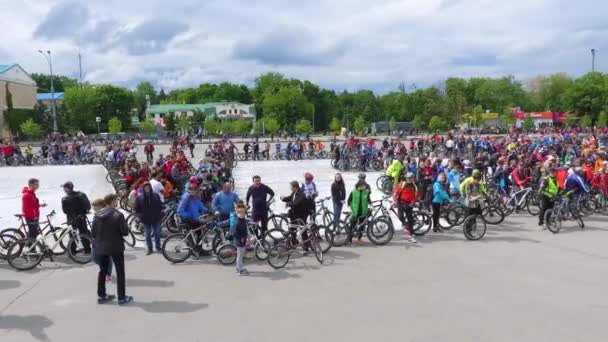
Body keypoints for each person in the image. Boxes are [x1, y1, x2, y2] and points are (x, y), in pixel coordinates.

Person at [91, 194, 133, 305]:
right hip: (116, 247)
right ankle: (122, 298)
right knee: (120, 272)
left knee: (103, 271)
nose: (117, 202)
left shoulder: (97, 214)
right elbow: (125, 232)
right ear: (113, 201)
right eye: (116, 200)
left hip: (101, 247)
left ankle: (102, 295)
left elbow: (93, 233)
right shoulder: (118, 215)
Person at [61, 181, 92, 254]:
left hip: (71, 219)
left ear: (68, 188)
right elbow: (88, 206)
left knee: (72, 235)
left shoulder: (65, 198)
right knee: (84, 233)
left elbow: (65, 211)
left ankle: (73, 251)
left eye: (64, 188)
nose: (64, 189)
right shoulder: (81, 194)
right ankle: (87, 250)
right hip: (81, 217)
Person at [135, 182, 164, 255]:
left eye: (148, 187)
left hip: (155, 218)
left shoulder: (155, 195)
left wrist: (160, 214)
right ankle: (150, 248)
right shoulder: (139, 197)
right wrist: (139, 217)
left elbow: (160, 206)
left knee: (157, 233)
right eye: (145, 187)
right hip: (146, 219)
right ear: (143, 188)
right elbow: (137, 209)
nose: (147, 188)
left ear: (150, 188)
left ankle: (158, 247)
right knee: (147, 235)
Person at [393, 172, 418, 243]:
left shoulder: (414, 186)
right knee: (400, 216)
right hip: (401, 203)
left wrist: (413, 202)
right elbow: (396, 193)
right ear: (406, 178)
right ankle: (405, 225)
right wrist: (395, 201)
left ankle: (411, 235)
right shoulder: (402, 184)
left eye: (411, 178)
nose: (409, 179)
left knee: (410, 220)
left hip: (409, 204)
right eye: (408, 178)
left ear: (413, 178)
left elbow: (415, 196)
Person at [281, 181, 308, 246]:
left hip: (301, 216)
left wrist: (288, 204)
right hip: (294, 215)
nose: (290, 188)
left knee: (303, 231)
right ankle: (294, 242)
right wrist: (283, 199)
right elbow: (290, 198)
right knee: (291, 229)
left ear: (295, 187)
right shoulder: (294, 192)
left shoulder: (301, 194)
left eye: (291, 187)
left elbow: (296, 203)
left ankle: (306, 246)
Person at [91, 198, 113, 282]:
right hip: (97, 239)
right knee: (95, 258)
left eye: (95, 208)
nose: (94, 210)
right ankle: (104, 270)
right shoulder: (96, 215)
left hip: (106, 240)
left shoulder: (108, 215)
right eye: (93, 208)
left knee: (106, 258)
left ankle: (107, 273)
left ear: (101, 206)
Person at [347, 180, 372, 245]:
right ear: (359, 185)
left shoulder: (365, 192)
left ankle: (359, 239)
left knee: (361, 226)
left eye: (365, 186)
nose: (365, 187)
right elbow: (349, 200)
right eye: (363, 186)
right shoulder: (354, 192)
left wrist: (371, 204)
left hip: (363, 211)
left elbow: (368, 199)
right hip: (355, 211)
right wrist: (351, 208)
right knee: (352, 226)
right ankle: (349, 239)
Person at [229, 201, 249, 275]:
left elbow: (244, 230)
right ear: (237, 213)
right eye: (239, 212)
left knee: (241, 255)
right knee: (239, 256)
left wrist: (246, 236)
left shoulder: (242, 220)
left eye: (243, 213)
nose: (241, 214)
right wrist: (241, 238)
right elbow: (235, 233)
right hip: (240, 241)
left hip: (242, 240)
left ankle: (241, 268)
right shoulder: (238, 222)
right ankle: (239, 270)